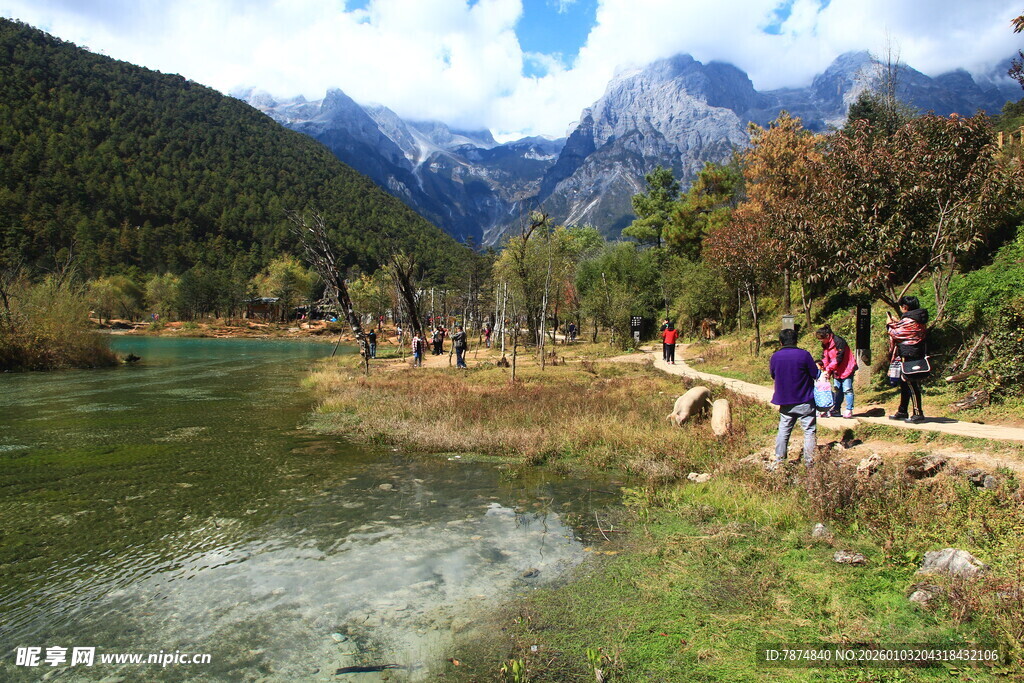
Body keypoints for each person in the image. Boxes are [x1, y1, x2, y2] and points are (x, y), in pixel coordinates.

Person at [769, 328, 820, 469]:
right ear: (796, 340)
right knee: (809, 431)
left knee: (784, 431)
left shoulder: (775, 357)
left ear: (781, 342)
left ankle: (779, 462)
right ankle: (810, 463)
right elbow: (815, 374)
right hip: (805, 400)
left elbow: (773, 375)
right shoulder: (804, 355)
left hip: (785, 401)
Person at [886, 295, 929, 423]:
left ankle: (918, 412)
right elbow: (902, 329)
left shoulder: (910, 320)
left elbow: (897, 333)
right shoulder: (917, 319)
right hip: (915, 352)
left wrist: (889, 324)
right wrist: (896, 323)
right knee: (904, 381)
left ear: (905, 307)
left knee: (911, 381)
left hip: (909, 353)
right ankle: (902, 410)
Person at [815, 324, 857, 418]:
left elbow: (839, 358)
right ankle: (836, 409)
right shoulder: (825, 344)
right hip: (836, 370)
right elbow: (825, 357)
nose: (821, 341)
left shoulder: (839, 341)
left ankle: (849, 409)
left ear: (827, 336)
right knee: (838, 389)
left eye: (821, 339)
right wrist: (826, 369)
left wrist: (829, 368)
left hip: (847, 367)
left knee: (847, 389)